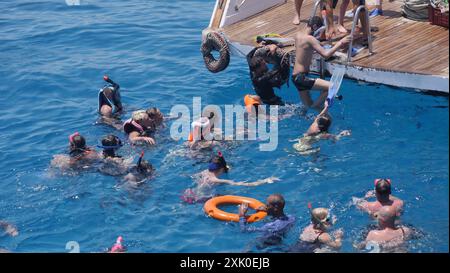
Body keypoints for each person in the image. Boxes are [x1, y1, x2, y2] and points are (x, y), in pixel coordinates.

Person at [292, 16, 350, 112]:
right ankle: (315, 106)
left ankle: (315, 112)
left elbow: (308, 47)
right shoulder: (310, 39)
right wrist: (340, 43)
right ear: (314, 27)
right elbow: (326, 55)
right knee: (332, 87)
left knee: (309, 107)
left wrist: (321, 44)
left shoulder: (298, 35)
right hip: (302, 78)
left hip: (295, 78)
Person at [182, 152, 279, 203]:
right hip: (201, 199)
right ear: (221, 169)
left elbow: (192, 176)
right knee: (230, 194)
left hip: (190, 193)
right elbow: (246, 184)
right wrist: (266, 180)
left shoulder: (204, 172)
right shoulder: (218, 180)